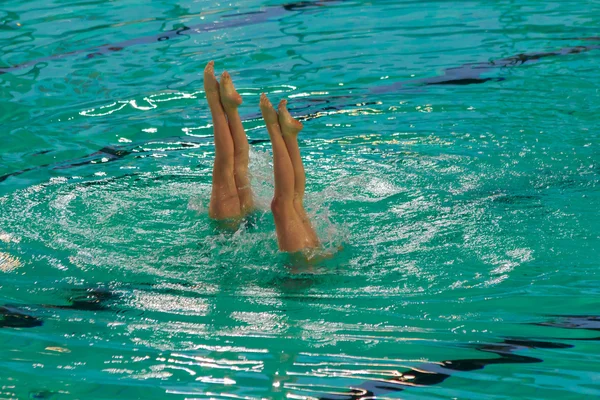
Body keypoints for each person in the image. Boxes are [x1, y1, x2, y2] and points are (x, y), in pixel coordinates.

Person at [203, 61, 319, 253]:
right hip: (228, 230)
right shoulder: (303, 268)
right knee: (230, 169)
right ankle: (215, 98)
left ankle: (232, 108)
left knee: (294, 201)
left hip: (240, 228)